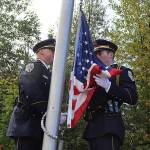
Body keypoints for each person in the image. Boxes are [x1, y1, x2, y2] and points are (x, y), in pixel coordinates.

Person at [83, 39, 138, 150]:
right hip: (93, 128)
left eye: (99, 53)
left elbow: (132, 97)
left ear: (110, 54)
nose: (95, 56)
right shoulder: (93, 74)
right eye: (95, 54)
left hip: (110, 125)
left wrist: (109, 86)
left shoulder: (121, 71)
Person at [7, 39, 56, 150]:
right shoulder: (33, 67)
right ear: (41, 52)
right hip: (27, 125)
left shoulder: (49, 72)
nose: (54, 52)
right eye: (51, 49)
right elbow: (31, 90)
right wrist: (50, 112)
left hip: (39, 127)